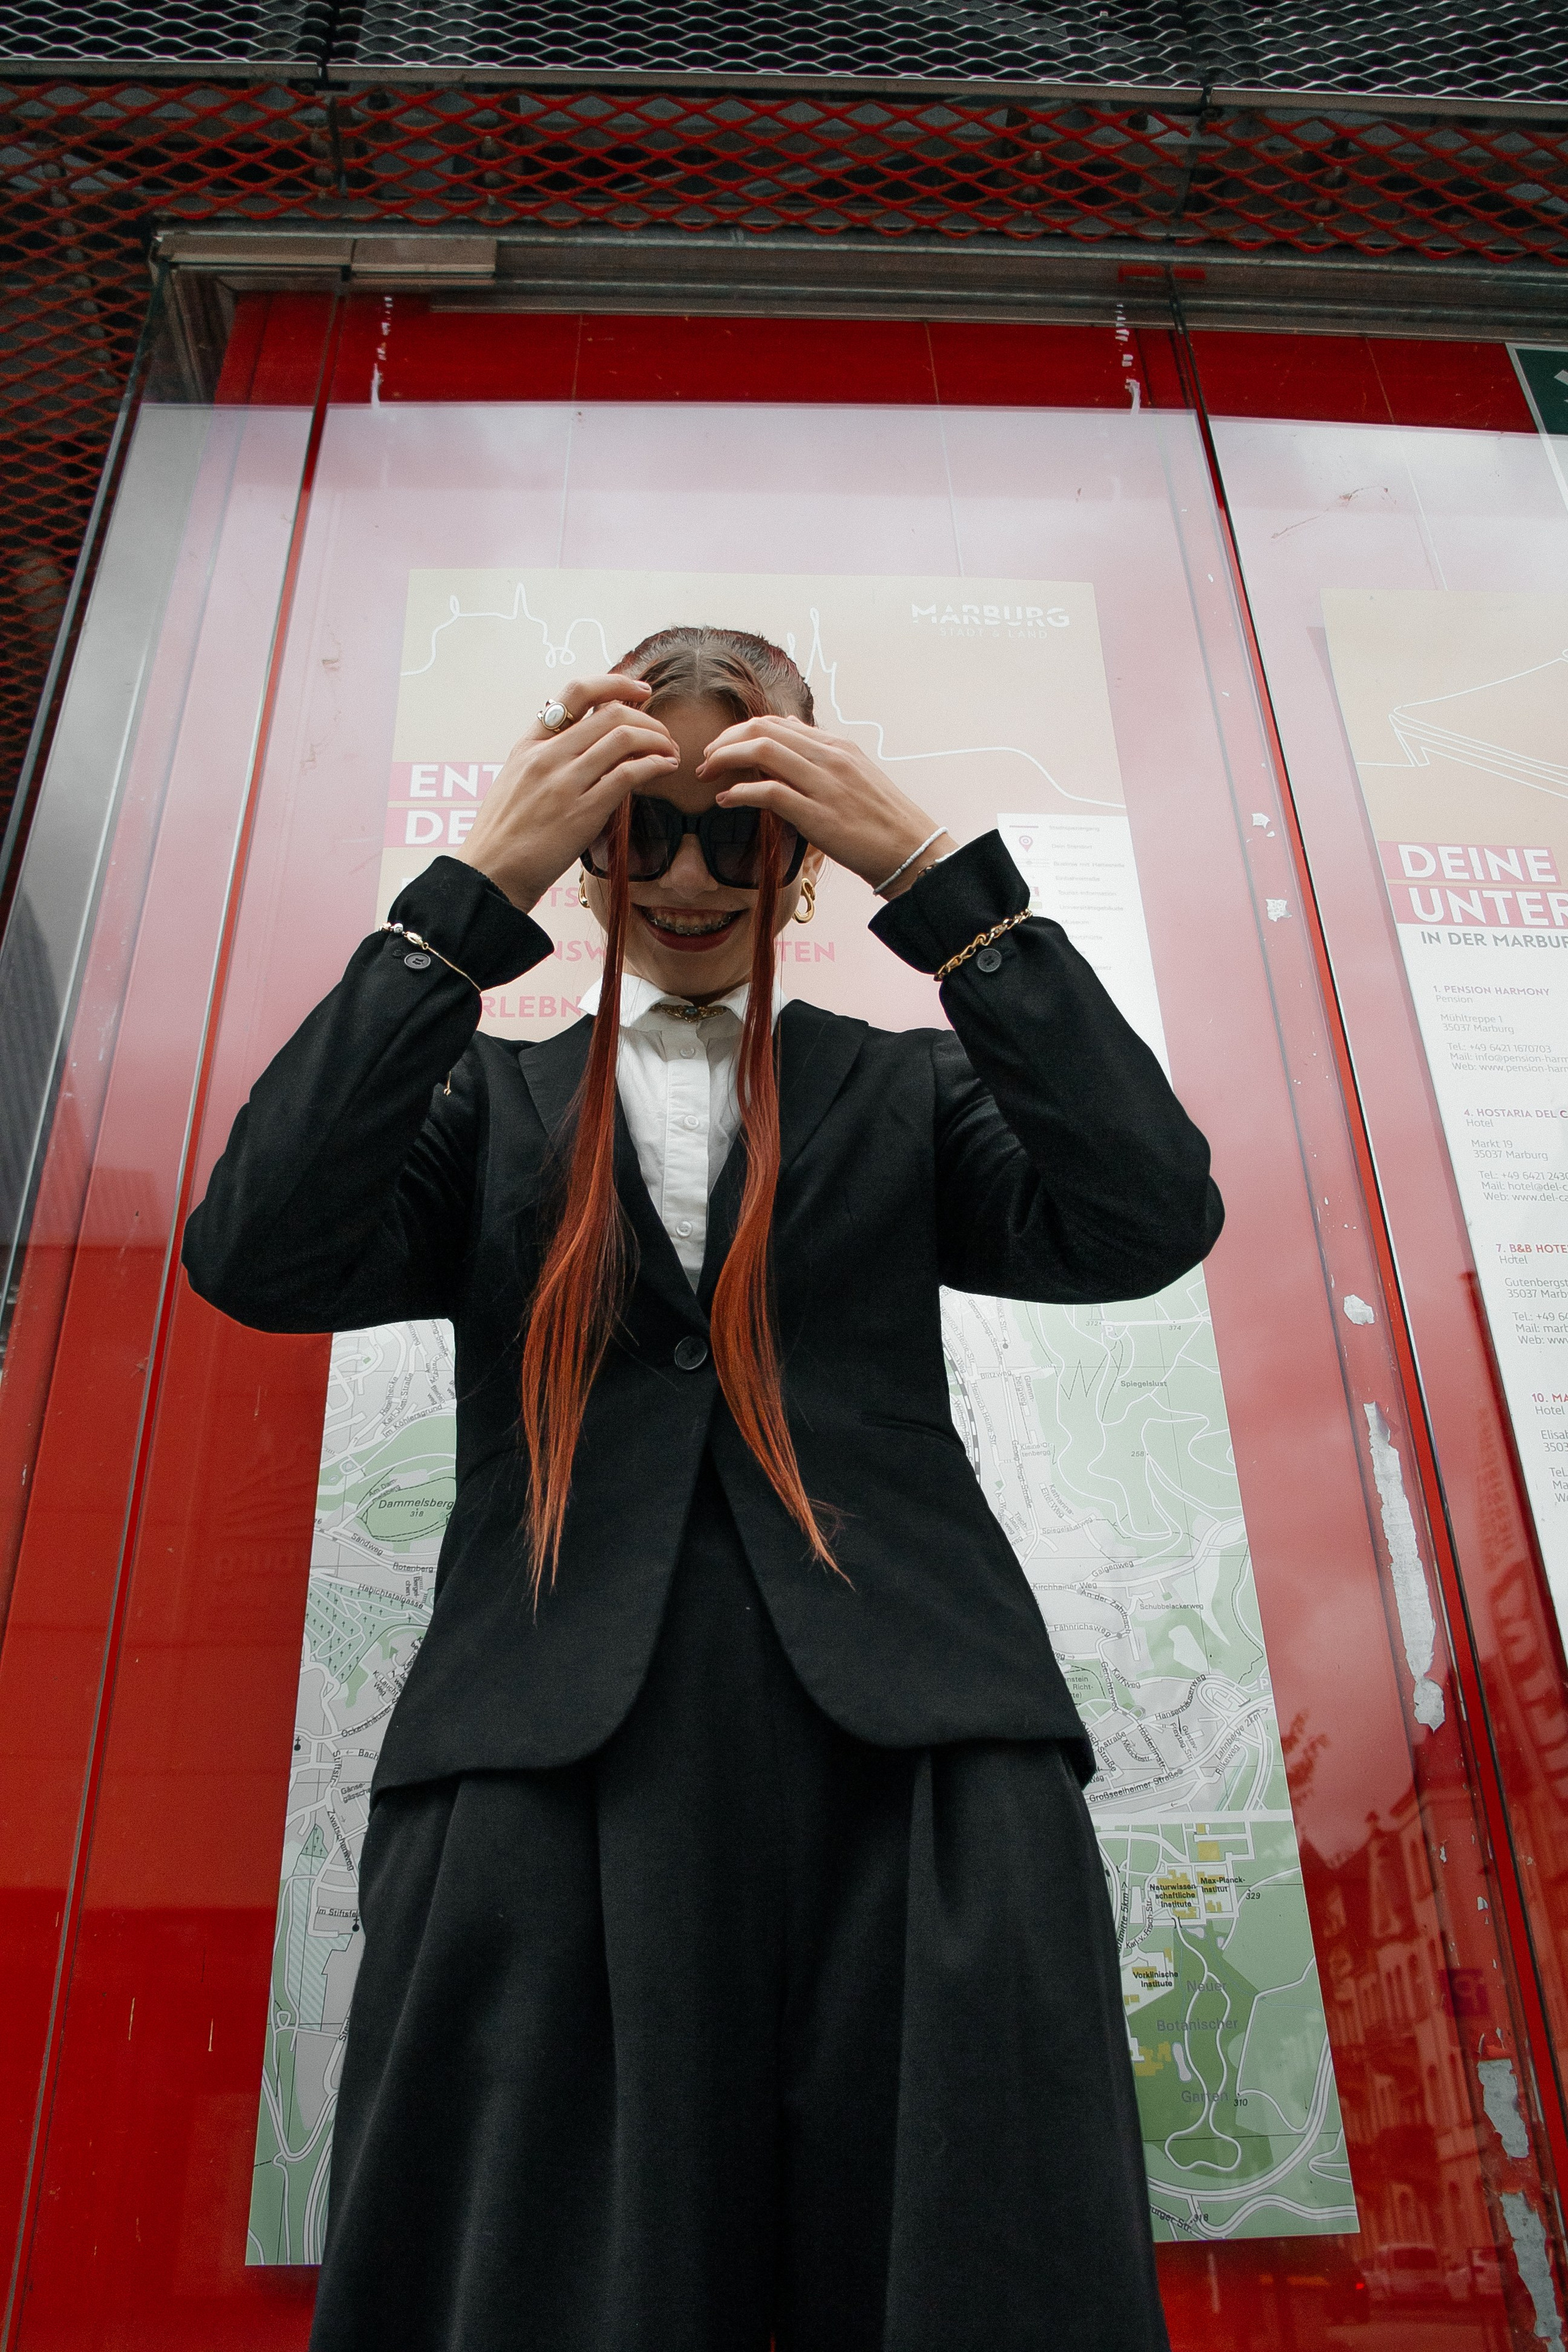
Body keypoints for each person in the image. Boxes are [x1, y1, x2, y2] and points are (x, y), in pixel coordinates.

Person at [184, 625, 1223, 2352]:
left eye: (736, 827)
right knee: (552, 2278)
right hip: (549, 1775)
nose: (682, 873)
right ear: (585, 857)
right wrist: (468, 894)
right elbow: (256, 1250)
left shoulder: (905, 1089)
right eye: (636, 827)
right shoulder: (485, 1104)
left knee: (955, 2259)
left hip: (916, 1775)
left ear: (801, 859)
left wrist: (938, 879)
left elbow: (1144, 1213)